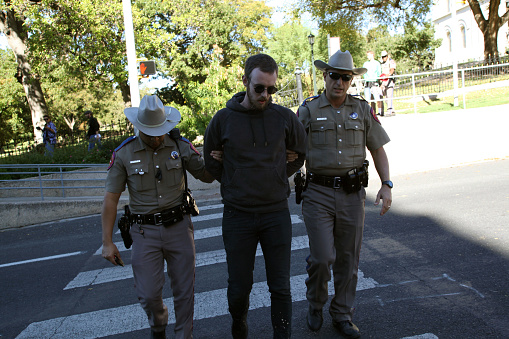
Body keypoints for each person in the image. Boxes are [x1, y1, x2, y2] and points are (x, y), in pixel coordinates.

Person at [203, 53, 307, 339]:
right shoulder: (223, 119)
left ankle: (282, 335)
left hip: (276, 213)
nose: (265, 95)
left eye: (271, 89)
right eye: (259, 88)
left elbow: (300, 154)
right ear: (245, 81)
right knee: (239, 287)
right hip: (238, 215)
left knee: (281, 286)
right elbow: (210, 161)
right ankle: (239, 322)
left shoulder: (284, 117)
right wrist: (234, 180)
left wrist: (278, 173)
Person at [101, 95, 215, 339]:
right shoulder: (123, 154)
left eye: (160, 131)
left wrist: (220, 155)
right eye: (150, 132)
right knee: (149, 295)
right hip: (144, 232)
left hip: (179, 227)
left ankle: (184, 336)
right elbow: (111, 199)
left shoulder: (179, 146)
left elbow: (207, 175)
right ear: (139, 127)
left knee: (184, 291)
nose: (156, 137)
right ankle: (158, 325)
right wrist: (107, 241)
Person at [297, 50, 393, 338]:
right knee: (322, 257)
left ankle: (342, 314)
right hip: (318, 194)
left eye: (345, 78)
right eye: (334, 76)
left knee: (349, 259)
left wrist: (386, 184)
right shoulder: (309, 110)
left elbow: (377, 148)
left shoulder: (363, 110)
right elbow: (289, 149)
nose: (339, 82)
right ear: (325, 75)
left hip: (352, 195)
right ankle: (315, 304)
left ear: (352, 80)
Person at [362, 51, 383, 116]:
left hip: (374, 81)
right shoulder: (365, 64)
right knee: (367, 99)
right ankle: (368, 112)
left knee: (377, 97)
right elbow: (364, 73)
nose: (367, 57)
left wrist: (378, 80)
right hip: (367, 82)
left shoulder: (377, 63)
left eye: (368, 55)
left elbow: (379, 72)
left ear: (372, 55)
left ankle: (380, 112)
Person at [380, 50, 397, 116]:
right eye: (382, 57)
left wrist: (389, 74)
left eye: (385, 56)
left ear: (387, 56)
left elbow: (392, 69)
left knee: (389, 96)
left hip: (389, 80)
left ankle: (389, 110)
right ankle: (392, 110)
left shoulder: (391, 61)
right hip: (383, 81)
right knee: (386, 96)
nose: (384, 58)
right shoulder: (382, 63)